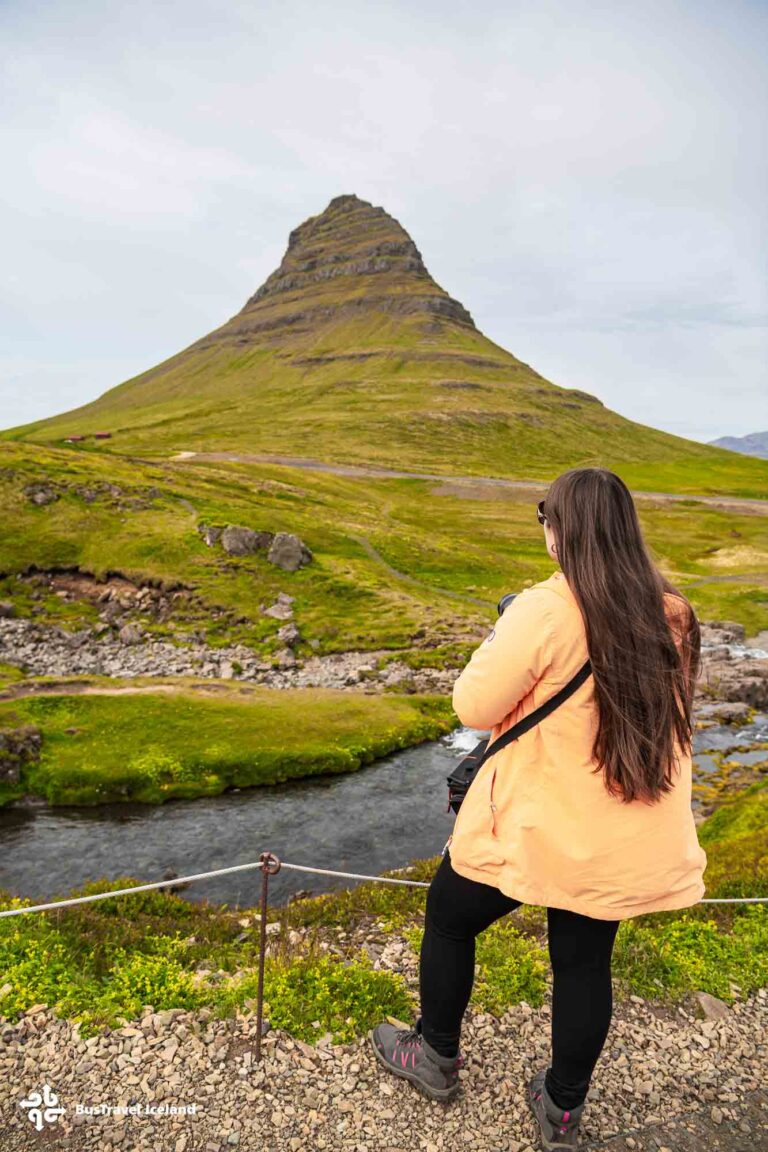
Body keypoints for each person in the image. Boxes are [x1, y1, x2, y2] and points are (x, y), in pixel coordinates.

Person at [370, 466, 707, 1150]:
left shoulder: (545, 608)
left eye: (545, 519)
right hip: (622, 831)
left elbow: (472, 706)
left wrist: (502, 635)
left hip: (538, 826)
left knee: (448, 915)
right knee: (584, 963)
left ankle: (435, 1057)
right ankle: (561, 1110)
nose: (544, 531)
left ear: (561, 531)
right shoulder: (673, 611)